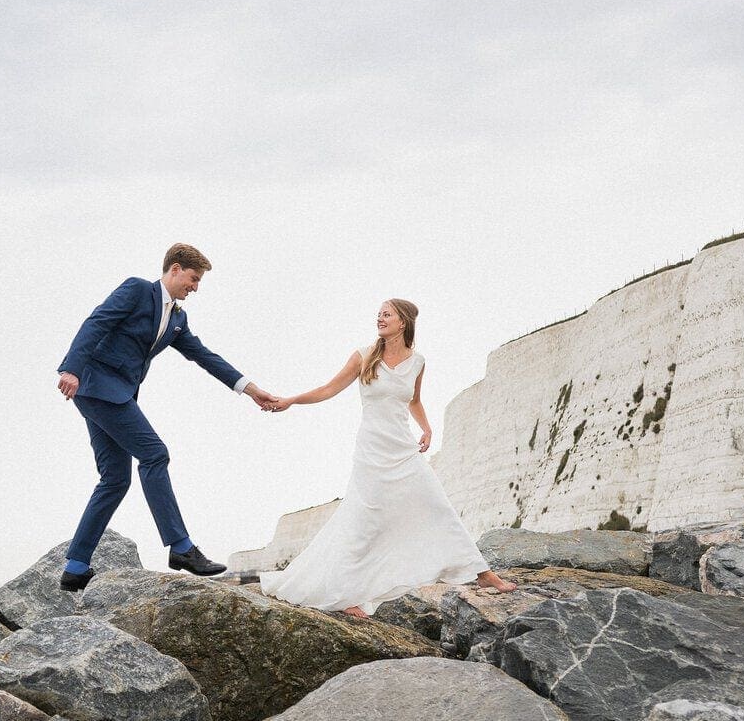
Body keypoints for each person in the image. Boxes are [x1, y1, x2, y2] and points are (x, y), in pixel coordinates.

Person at [259, 299, 516, 618]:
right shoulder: (364, 355)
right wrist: (292, 400)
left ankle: (481, 573)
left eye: (386, 314)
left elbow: (415, 400)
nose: (379, 318)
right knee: (364, 521)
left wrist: (426, 427)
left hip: (402, 448)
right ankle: (345, 594)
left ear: (403, 322)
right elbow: (329, 389)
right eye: (378, 314)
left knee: (436, 504)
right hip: (371, 449)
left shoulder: (417, 361)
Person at [56, 243, 275, 591]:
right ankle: (181, 547)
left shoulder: (176, 319)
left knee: (115, 479)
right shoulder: (137, 290)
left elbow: (203, 355)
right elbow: (96, 323)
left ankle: (76, 567)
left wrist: (250, 389)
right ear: (174, 269)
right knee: (154, 453)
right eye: (193, 278)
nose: (196, 287)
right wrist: (71, 369)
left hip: (113, 395)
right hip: (96, 386)